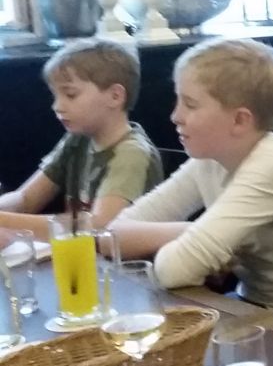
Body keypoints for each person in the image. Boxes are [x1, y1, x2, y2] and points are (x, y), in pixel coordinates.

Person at [109, 38, 273, 330]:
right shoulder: (210, 159)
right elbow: (113, 235)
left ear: (240, 120)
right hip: (253, 310)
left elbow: (172, 271)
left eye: (190, 104)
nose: (175, 116)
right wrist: (191, 232)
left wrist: (199, 242)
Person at [0, 38, 162, 237]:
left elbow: (100, 225)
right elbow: (26, 199)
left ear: (115, 96)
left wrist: (4, 220)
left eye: (70, 95)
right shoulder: (78, 139)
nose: (57, 106)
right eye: (55, 96)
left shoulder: (132, 153)